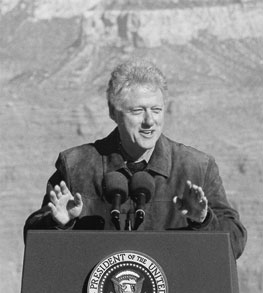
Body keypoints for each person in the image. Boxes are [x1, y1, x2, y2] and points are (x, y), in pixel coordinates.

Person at [24, 58, 246, 260]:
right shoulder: (75, 166)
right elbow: (33, 236)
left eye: (156, 110)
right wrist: (58, 223)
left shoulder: (196, 168)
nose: (150, 121)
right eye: (138, 111)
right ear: (113, 112)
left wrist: (204, 220)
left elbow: (235, 242)